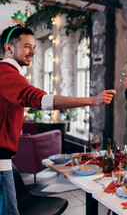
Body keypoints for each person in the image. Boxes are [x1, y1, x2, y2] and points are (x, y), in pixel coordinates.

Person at [0, 26, 116, 215]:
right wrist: (91, 100)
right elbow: (41, 100)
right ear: (9, 48)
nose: (33, 52)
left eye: (35, 47)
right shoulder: (6, 74)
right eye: (27, 46)